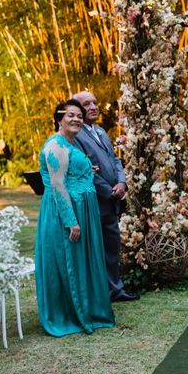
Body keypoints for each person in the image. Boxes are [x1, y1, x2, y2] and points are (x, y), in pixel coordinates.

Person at [35, 99, 115, 337]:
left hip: (83, 207)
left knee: (82, 260)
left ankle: (88, 306)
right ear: (59, 118)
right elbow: (58, 185)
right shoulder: (55, 146)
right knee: (69, 260)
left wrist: (86, 171)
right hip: (67, 213)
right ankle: (71, 312)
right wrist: (71, 221)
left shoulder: (70, 144)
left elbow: (68, 172)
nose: (77, 119)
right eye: (71, 115)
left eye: (79, 116)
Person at [73, 91, 139, 302]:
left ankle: (115, 289)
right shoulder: (75, 135)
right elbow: (83, 169)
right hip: (95, 201)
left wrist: (122, 183)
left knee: (112, 245)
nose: (93, 106)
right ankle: (100, 291)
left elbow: (115, 160)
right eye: (86, 104)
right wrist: (108, 191)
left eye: (94, 102)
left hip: (113, 200)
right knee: (95, 248)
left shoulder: (100, 131)